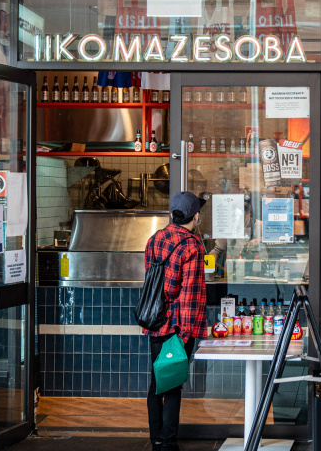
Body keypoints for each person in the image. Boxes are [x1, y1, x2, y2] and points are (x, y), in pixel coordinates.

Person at [143, 192, 209, 451]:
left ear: (172, 214)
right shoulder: (192, 245)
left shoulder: (154, 239)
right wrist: (186, 334)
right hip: (178, 327)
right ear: (196, 216)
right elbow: (191, 294)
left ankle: (156, 438)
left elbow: (152, 282)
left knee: (157, 381)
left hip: (155, 321)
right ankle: (169, 442)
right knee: (173, 385)